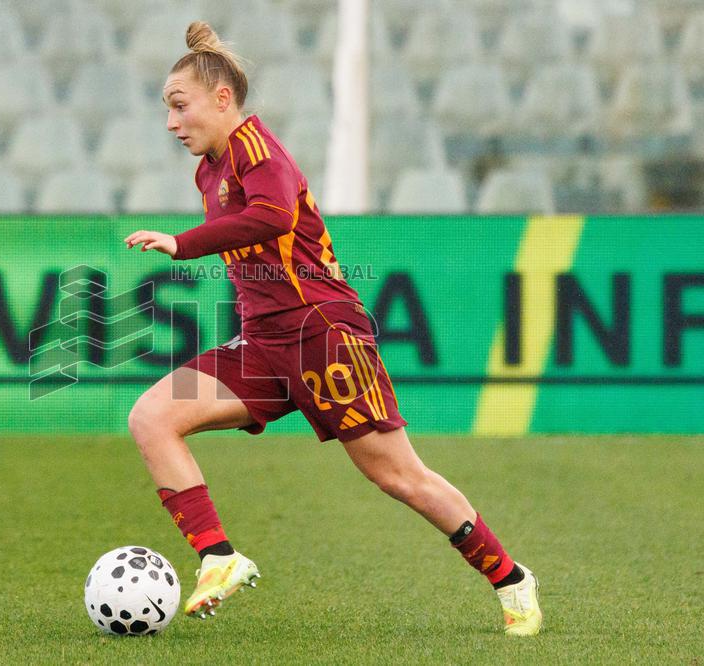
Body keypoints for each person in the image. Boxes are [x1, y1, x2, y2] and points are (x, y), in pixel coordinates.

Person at [124, 21, 542, 636]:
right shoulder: (209, 171)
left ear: (222, 98)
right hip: (263, 345)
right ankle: (218, 557)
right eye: (168, 109)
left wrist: (184, 244)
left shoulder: (258, 151)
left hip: (323, 335)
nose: (171, 122)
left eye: (180, 106)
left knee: (397, 475)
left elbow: (273, 216)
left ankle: (511, 578)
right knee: (152, 417)